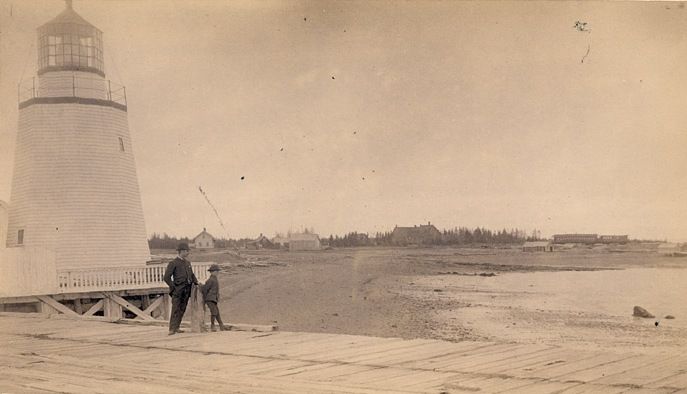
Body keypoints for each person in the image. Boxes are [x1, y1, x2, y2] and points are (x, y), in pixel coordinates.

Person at [164, 242, 198, 335]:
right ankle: (172, 329)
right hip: (177, 291)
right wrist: (173, 287)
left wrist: (197, 283)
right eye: (187, 251)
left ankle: (177, 327)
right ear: (181, 251)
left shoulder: (188, 263)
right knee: (175, 309)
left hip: (187, 290)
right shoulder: (173, 263)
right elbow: (166, 277)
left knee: (182, 309)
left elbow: (192, 275)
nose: (188, 253)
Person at [202, 264, 230, 332]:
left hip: (213, 299)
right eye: (216, 271)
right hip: (210, 299)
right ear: (212, 272)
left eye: (217, 271)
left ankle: (221, 326)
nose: (217, 273)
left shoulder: (214, 279)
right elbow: (205, 290)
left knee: (217, 313)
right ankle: (213, 326)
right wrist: (205, 299)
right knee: (214, 312)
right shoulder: (210, 280)